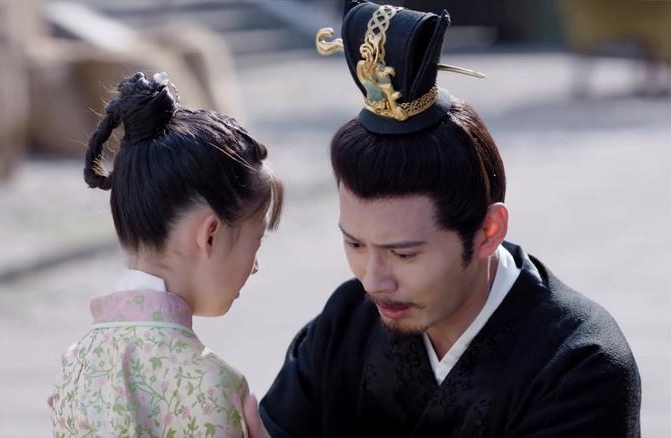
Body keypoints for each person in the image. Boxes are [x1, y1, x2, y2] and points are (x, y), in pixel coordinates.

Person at [252, 1, 642, 436]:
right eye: (355, 244)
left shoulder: (578, 363)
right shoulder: (345, 324)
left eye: (404, 253)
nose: (373, 281)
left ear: (488, 232)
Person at [50, 71, 283, 437]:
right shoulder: (209, 385)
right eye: (255, 243)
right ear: (210, 235)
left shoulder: (75, 367)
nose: (254, 267)